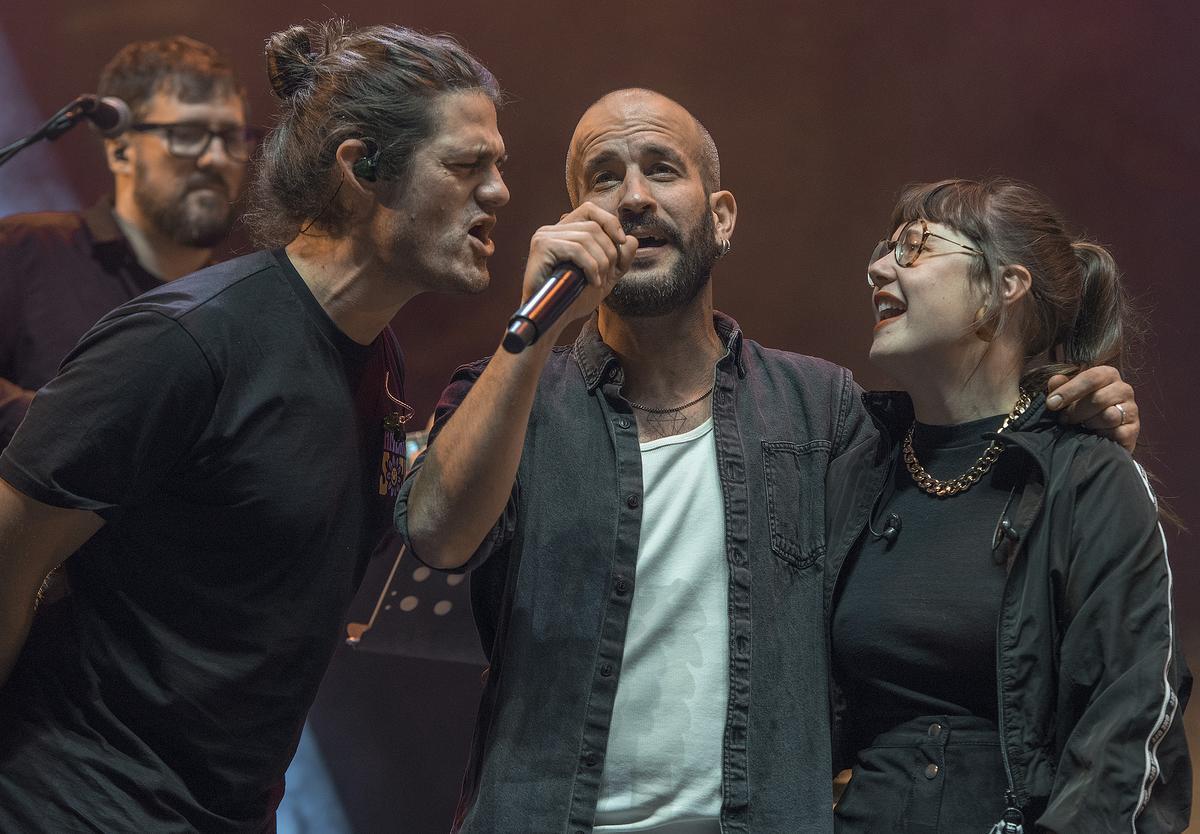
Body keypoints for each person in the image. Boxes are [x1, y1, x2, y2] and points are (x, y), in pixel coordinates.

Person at [396, 89, 1138, 832]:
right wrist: (532, 328)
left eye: (661, 168)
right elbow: (437, 530)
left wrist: (1058, 402)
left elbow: (965, 426)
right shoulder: (512, 395)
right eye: (602, 178)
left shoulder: (822, 408)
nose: (631, 199)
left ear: (721, 217)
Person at [0, 21, 507, 831]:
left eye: (498, 167)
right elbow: (9, 549)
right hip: (75, 803)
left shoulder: (379, 362)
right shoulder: (192, 338)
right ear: (360, 168)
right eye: (466, 165)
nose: (498, 192)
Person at [826, 178, 1190, 832]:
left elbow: (1125, 732)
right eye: (884, 250)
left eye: (914, 249)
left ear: (1003, 287)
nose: (878, 268)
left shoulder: (1086, 478)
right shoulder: (854, 468)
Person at [0, 35, 249, 450]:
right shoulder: (25, 250)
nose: (217, 158)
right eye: (187, 134)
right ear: (119, 151)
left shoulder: (242, 305)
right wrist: (63, 428)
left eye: (232, 136)